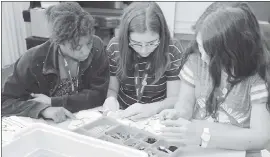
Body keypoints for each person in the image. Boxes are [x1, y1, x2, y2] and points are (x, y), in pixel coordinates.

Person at [159, 3, 270, 157]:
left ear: (235, 52)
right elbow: (185, 102)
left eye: (211, 54)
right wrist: (179, 113)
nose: (203, 57)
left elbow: (262, 137)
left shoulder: (257, 78)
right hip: (196, 148)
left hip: (236, 150)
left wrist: (205, 136)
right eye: (199, 46)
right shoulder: (195, 61)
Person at [1, 2, 110, 123]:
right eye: (77, 47)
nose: (86, 51)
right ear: (59, 42)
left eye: (88, 43)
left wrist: (53, 102)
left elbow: (100, 94)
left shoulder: (96, 45)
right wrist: (43, 109)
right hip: (47, 126)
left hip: (85, 121)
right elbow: (5, 103)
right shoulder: (33, 60)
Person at [103, 2, 184, 121]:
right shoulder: (115, 46)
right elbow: (112, 89)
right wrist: (111, 99)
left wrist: (152, 108)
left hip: (157, 116)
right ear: (126, 37)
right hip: (123, 114)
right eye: (136, 43)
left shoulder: (172, 48)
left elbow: (175, 98)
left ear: (162, 35)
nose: (144, 50)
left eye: (152, 43)